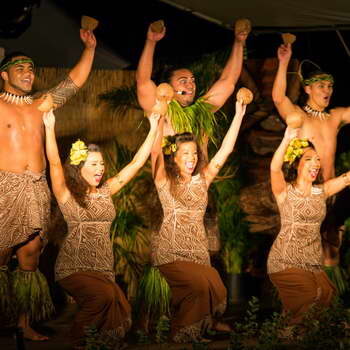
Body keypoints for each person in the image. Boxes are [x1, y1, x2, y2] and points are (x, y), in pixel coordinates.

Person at [0, 28, 96, 340]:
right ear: (4, 75)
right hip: (5, 187)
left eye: (30, 69)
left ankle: (24, 324)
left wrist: (90, 49)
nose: (28, 73)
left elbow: (74, 83)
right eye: (20, 68)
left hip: (36, 188)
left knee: (30, 255)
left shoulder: (41, 103)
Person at [43, 109, 160, 349]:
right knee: (102, 298)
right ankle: (76, 342)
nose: (100, 169)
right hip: (73, 266)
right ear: (78, 167)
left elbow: (137, 162)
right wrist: (49, 127)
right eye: (94, 164)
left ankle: (99, 344)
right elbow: (55, 163)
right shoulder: (67, 195)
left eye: (102, 164)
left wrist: (154, 127)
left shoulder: (107, 192)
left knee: (123, 310)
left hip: (103, 269)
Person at [151, 100, 247, 343]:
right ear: (174, 156)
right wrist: (158, 121)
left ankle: (185, 330)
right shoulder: (164, 180)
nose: (192, 158)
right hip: (171, 251)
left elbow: (225, 150)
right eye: (185, 153)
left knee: (215, 288)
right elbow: (154, 155)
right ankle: (183, 333)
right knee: (200, 286)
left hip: (198, 251)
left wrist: (238, 114)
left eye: (195, 153)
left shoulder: (203, 179)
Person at [272, 42, 350, 290]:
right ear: (307, 89)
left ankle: (329, 307)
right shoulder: (298, 116)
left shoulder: (335, 116)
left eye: (330, 86)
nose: (327, 90)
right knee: (306, 248)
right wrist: (284, 62)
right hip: (305, 195)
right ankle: (302, 300)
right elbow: (277, 97)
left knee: (331, 247)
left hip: (332, 192)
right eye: (321, 86)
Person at [267, 126, 350, 328]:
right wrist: (286, 139)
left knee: (327, 295)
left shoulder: (321, 192)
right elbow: (274, 168)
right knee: (311, 296)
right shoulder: (284, 191)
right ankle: (287, 333)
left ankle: (295, 334)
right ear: (296, 164)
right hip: (285, 260)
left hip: (312, 263)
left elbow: (347, 178)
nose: (316, 164)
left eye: (317, 160)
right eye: (308, 159)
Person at [136, 20, 249, 143]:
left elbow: (227, 81)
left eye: (192, 80)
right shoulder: (157, 109)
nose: (191, 85)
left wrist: (239, 42)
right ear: (168, 87)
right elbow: (143, 81)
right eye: (183, 81)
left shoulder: (200, 111)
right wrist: (151, 41)